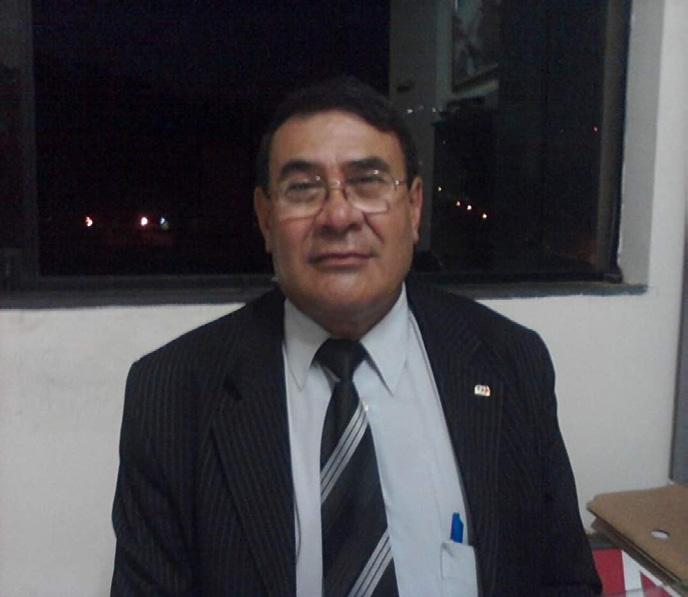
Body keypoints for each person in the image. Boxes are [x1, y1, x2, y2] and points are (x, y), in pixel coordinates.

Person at [111, 77, 601, 596]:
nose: (339, 216)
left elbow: (565, 582)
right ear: (266, 219)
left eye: (368, 182)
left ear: (414, 208)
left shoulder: (510, 360)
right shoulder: (172, 393)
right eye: (303, 189)